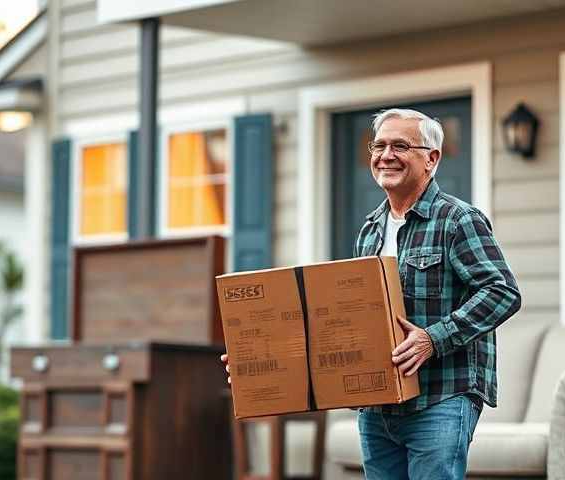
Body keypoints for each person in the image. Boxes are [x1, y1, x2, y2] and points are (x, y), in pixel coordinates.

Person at [222, 108, 521, 480]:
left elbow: (502, 291)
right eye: (379, 146)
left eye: (400, 145)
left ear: (432, 159)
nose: (386, 155)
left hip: (441, 396)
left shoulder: (458, 219)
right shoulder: (370, 229)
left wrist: (432, 339)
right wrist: (262, 361)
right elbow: (348, 320)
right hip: (378, 405)